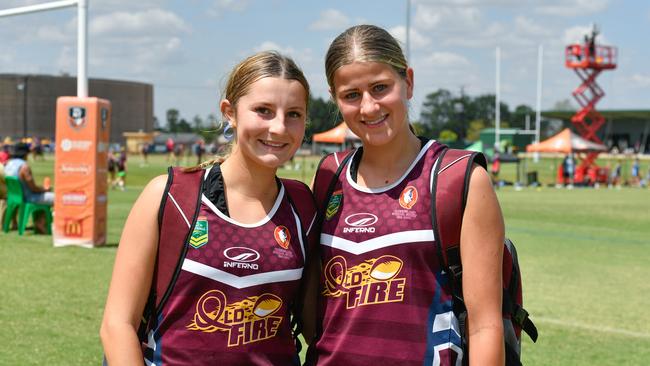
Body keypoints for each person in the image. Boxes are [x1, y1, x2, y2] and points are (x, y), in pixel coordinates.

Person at [100, 51, 316, 365]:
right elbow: (117, 325)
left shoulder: (302, 205)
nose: (280, 127)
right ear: (230, 112)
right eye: (263, 110)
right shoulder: (170, 195)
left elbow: (316, 330)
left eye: (294, 114)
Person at [306, 25, 504, 365]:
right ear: (335, 99)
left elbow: (485, 325)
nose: (368, 107)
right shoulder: (329, 175)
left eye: (380, 88)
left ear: (408, 82)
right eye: (351, 95)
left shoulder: (457, 177)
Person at [4, 143, 53, 234]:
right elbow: (33, 188)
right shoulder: (24, 167)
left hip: (14, 197)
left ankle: (39, 222)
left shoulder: (8, 164)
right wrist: (45, 189)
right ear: (26, 153)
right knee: (57, 198)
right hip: (28, 197)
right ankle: (41, 222)